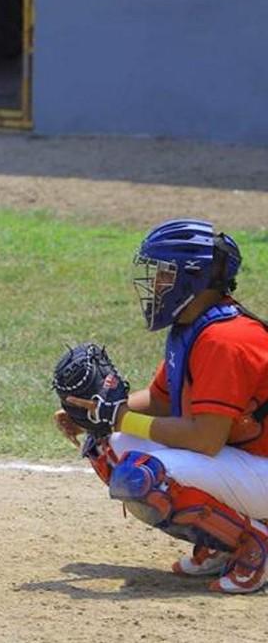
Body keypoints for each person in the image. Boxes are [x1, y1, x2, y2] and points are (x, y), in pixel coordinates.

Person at [55, 218, 268, 594]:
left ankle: (255, 543)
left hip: (259, 467)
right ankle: (222, 541)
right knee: (107, 444)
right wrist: (94, 413)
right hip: (248, 463)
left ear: (193, 279)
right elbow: (160, 399)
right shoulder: (195, 325)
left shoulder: (226, 340)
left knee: (143, 475)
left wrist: (120, 416)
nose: (155, 284)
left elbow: (205, 439)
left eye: (164, 273)